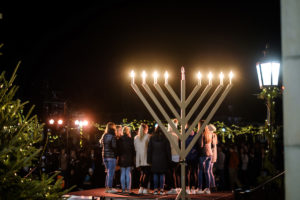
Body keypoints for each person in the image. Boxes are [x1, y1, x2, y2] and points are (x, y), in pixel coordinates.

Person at [147, 125, 172, 195]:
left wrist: (149, 160)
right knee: (162, 174)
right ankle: (161, 189)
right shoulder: (165, 138)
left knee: (155, 174)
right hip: (163, 159)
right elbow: (168, 150)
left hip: (154, 158)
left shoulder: (152, 138)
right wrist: (169, 159)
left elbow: (149, 150)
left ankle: (155, 190)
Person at [99, 122, 118, 193]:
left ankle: (107, 187)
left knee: (108, 172)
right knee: (111, 172)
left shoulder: (104, 135)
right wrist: (116, 153)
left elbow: (101, 144)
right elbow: (114, 147)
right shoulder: (112, 136)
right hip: (111, 156)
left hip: (104, 156)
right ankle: (110, 188)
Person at [117, 126, 135, 193]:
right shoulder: (130, 139)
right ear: (128, 131)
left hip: (122, 158)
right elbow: (133, 150)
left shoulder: (120, 139)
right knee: (128, 173)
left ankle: (123, 188)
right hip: (129, 158)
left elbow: (118, 150)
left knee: (122, 173)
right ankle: (128, 188)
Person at [134, 123, 151, 194]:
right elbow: (150, 148)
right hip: (146, 158)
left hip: (139, 158)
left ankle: (142, 188)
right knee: (147, 174)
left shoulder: (136, 137)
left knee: (142, 173)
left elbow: (135, 148)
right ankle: (142, 188)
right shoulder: (148, 136)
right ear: (145, 129)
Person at [197, 122, 213, 194]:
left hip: (203, 154)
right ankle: (208, 189)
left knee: (200, 171)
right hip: (209, 154)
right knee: (207, 172)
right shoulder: (209, 133)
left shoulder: (200, 133)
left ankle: (200, 188)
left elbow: (200, 145)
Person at [166, 119, 180, 194]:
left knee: (171, 173)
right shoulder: (178, 133)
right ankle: (177, 187)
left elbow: (168, 146)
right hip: (177, 155)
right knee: (175, 172)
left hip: (171, 155)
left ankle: (173, 188)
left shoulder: (168, 133)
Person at [185, 124, 199, 194]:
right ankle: (188, 187)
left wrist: (195, 151)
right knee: (187, 173)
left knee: (193, 173)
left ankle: (192, 188)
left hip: (194, 157)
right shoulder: (185, 134)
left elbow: (198, 146)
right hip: (187, 157)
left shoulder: (196, 135)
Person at [208, 125, 218, 190]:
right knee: (210, 170)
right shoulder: (215, 135)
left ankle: (211, 185)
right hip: (213, 155)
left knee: (209, 171)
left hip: (211, 154)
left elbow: (211, 146)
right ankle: (213, 185)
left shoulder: (211, 135)